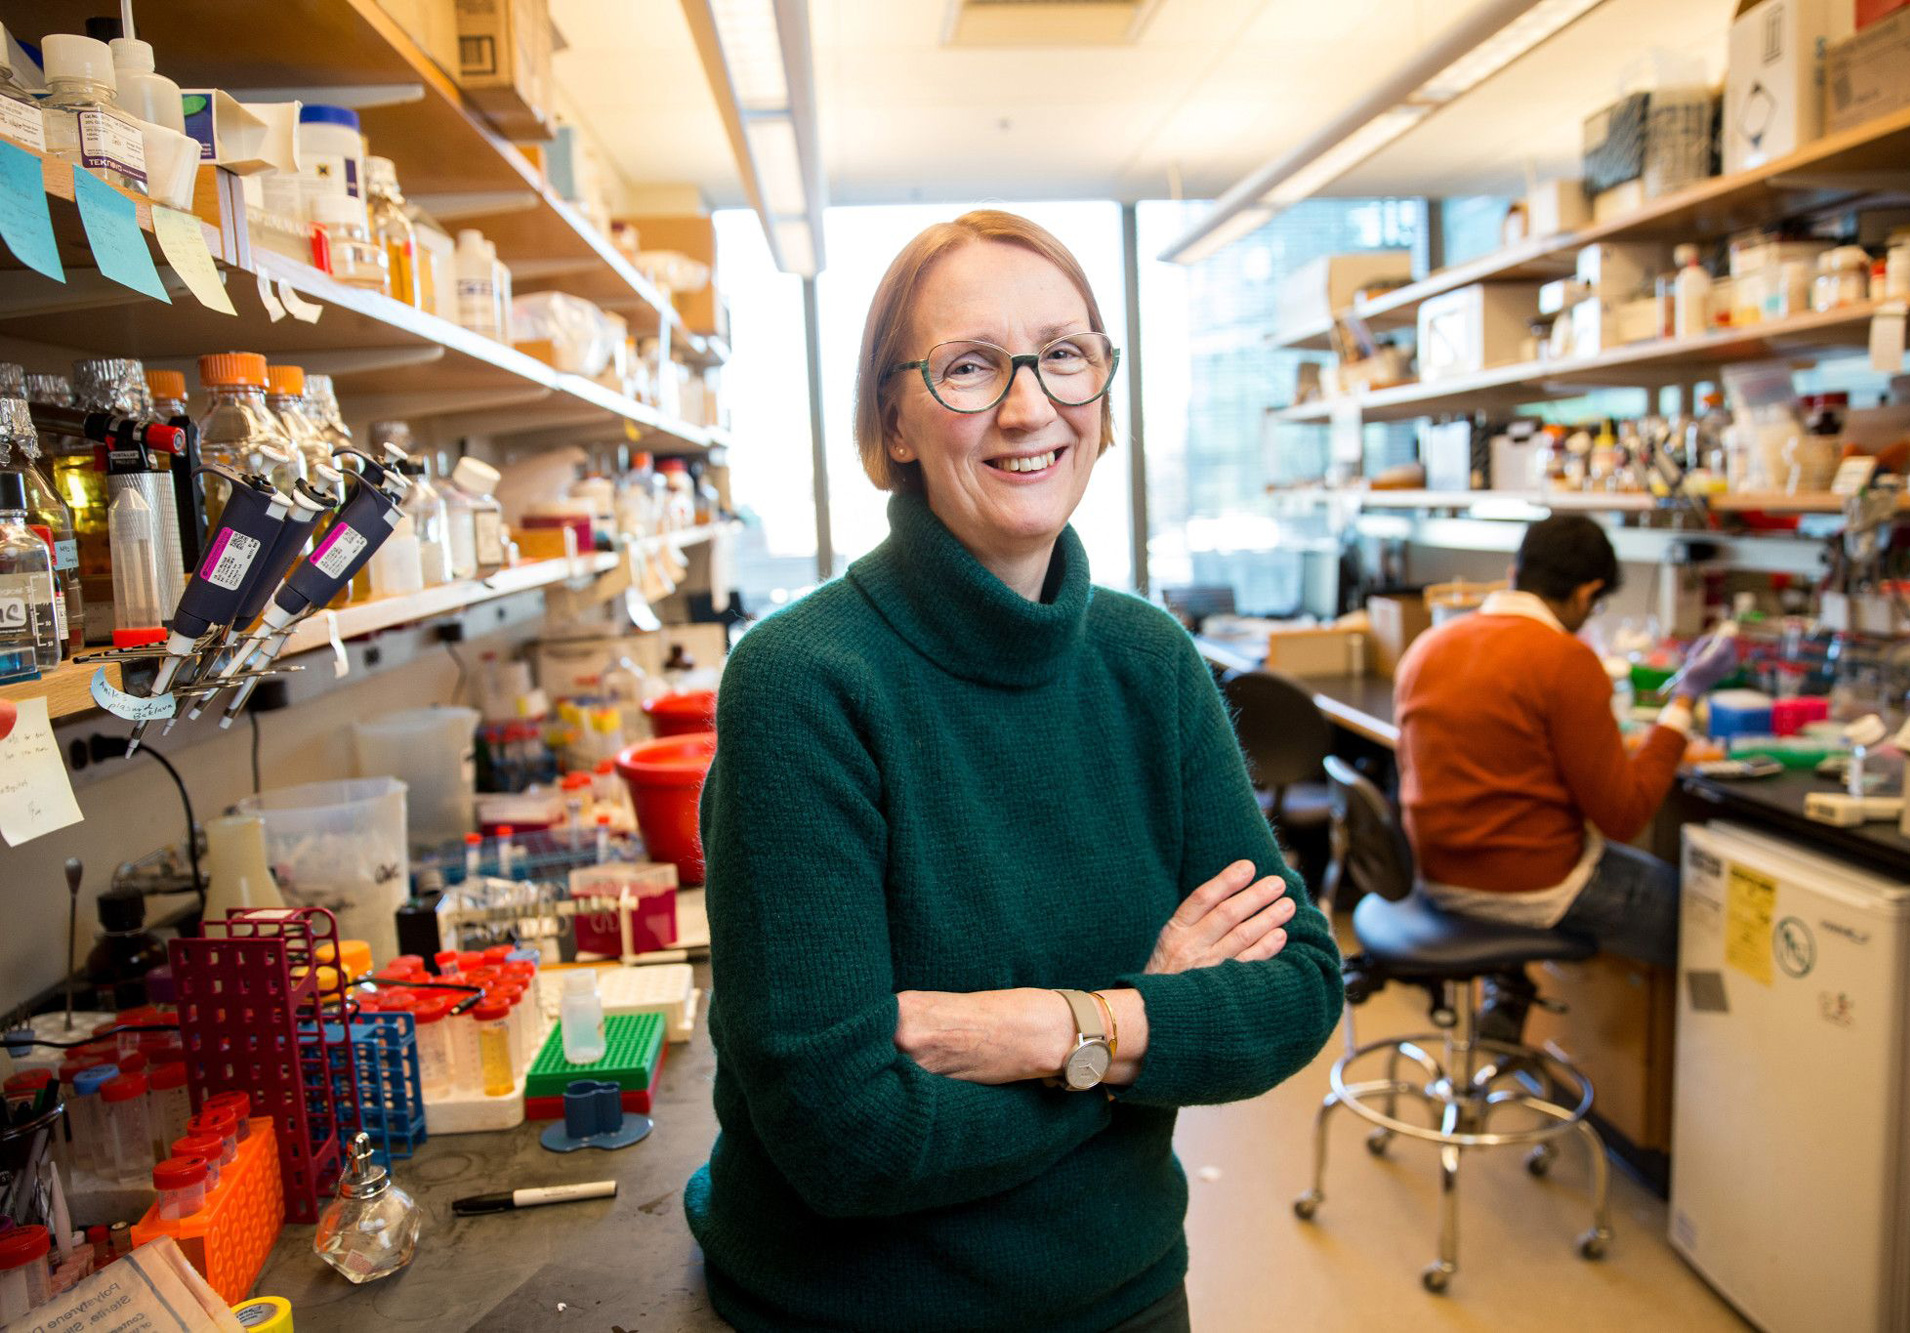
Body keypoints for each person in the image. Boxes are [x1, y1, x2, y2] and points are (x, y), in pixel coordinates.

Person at [683, 210, 1346, 1332]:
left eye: (1064, 354)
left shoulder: (1148, 661)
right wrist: (1147, 1027)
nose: (1029, 405)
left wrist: (1057, 1032)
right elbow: (848, 1137)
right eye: (971, 367)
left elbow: (1297, 988)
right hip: (858, 1311)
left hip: (1126, 1290)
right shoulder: (803, 683)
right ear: (892, 416)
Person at [1392, 515, 1735, 1036]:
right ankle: (1702, 1091)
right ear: (1587, 592)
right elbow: (1624, 815)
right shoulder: (1565, 660)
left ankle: (1509, 998)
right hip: (1533, 887)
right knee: (1715, 920)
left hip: (1440, 877)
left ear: (1515, 572)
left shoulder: (1428, 647)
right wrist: (1684, 698)